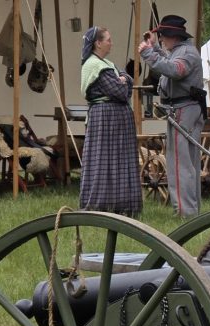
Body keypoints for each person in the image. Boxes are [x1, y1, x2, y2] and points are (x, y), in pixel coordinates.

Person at [138, 15, 205, 218]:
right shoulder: (183, 51)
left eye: (162, 37)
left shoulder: (187, 54)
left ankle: (185, 211)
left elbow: (174, 69)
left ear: (172, 36)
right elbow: (169, 61)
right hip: (184, 109)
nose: (161, 40)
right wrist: (154, 50)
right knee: (186, 163)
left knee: (179, 164)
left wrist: (149, 54)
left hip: (184, 110)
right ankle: (189, 209)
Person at [78, 27, 142, 217]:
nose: (111, 42)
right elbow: (121, 92)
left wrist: (124, 80)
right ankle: (100, 205)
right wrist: (122, 82)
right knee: (104, 160)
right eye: (108, 39)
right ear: (98, 43)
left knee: (119, 160)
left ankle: (121, 204)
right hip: (105, 118)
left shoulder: (106, 63)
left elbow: (127, 81)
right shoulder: (94, 65)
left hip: (116, 118)